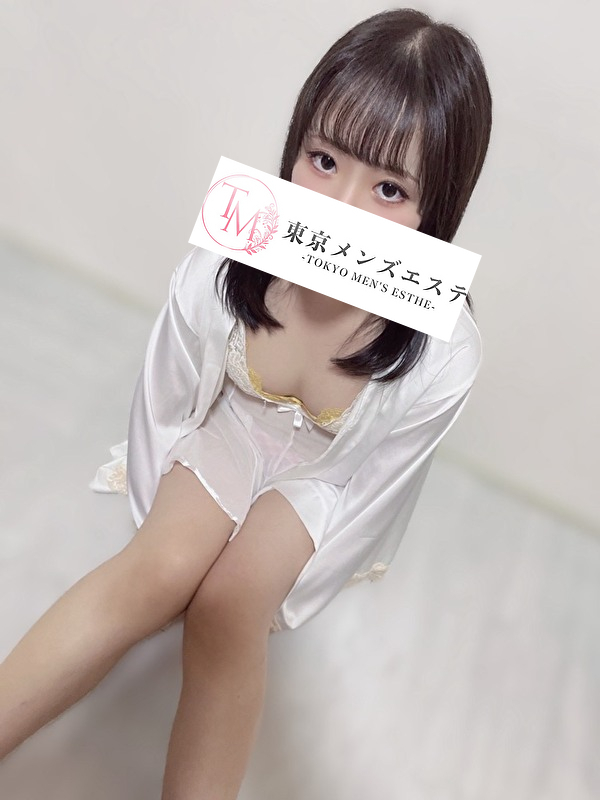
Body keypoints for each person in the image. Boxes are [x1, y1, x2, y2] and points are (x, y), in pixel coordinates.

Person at [0, 8, 492, 798]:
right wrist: (161, 514)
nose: (342, 206)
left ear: (439, 207)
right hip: (234, 425)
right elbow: (164, 397)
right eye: (323, 160)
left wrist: (283, 587)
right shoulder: (230, 256)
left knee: (229, 608)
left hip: (321, 478)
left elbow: (375, 494)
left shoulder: (444, 353)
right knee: (156, 571)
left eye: (389, 189)